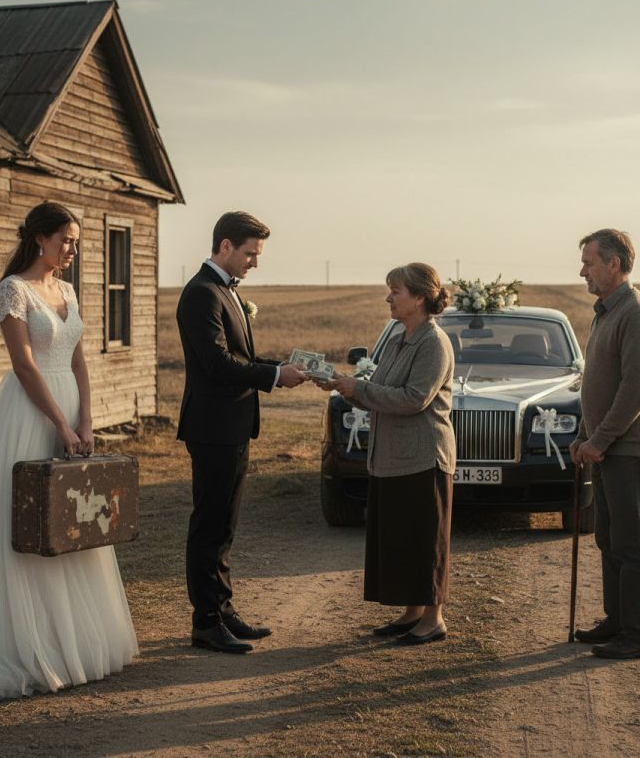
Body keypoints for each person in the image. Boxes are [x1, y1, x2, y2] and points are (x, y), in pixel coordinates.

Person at [0, 202, 137, 701]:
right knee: (27, 518)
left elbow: (78, 359)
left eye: (75, 241)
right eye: (65, 240)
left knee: (76, 517)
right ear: (40, 239)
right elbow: (25, 366)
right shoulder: (13, 290)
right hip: (31, 412)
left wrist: (86, 418)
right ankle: (23, 643)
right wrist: (58, 424)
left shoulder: (67, 289)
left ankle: (71, 640)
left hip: (70, 405)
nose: (72, 249)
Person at [176, 211, 307, 654]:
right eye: (250, 253)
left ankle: (224, 610)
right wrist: (273, 377)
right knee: (209, 525)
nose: (254, 262)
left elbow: (239, 353)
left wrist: (279, 367)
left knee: (225, 526)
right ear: (225, 246)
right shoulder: (201, 294)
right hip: (211, 426)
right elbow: (216, 364)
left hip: (232, 426)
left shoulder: (226, 292)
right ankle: (206, 622)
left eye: (257, 254)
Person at [317, 263, 455, 645]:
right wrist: (345, 384)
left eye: (396, 291)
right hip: (392, 456)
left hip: (424, 457)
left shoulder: (434, 342)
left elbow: (414, 399)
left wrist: (359, 390)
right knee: (401, 536)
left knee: (425, 538)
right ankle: (412, 613)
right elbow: (380, 385)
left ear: (420, 297)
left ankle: (433, 619)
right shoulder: (398, 337)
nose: (388, 298)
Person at [570, 229, 640, 660]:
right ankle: (617, 621)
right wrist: (585, 438)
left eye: (590, 263)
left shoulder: (636, 313)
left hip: (629, 449)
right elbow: (602, 384)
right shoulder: (606, 312)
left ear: (614, 264)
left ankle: (639, 635)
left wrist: (601, 440)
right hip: (608, 447)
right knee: (609, 538)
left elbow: (634, 390)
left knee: (631, 542)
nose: (583, 271)